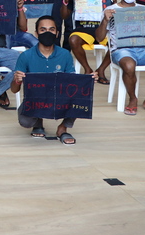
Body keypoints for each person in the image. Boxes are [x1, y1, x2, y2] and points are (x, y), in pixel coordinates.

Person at [10, 15, 95, 144]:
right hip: (36, 99)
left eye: (52, 29)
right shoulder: (26, 56)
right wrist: (17, 79)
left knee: (80, 96)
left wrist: (87, 80)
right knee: (25, 121)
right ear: (36, 33)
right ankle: (38, 121)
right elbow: (14, 90)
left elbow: (71, 80)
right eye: (43, 30)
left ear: (57, 33)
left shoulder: (65, 54)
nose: (47, 33)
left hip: (59, 97)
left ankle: (63, 128)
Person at [60, 0, 116, 83]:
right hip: (82, 30)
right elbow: (64, 16)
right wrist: (65, 2)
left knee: (117, 42)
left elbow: (113, 13)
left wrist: (114, 2)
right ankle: (87, 69)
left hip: (102, 30)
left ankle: (101, 70)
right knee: (74, 40)